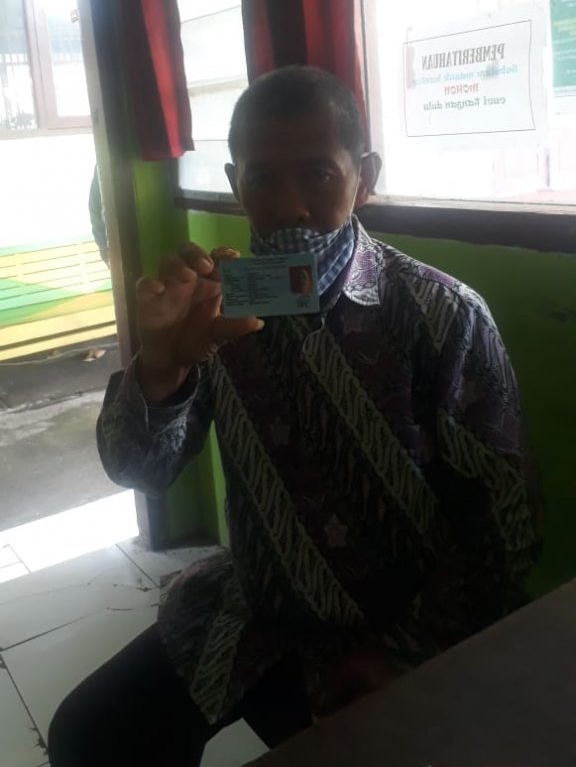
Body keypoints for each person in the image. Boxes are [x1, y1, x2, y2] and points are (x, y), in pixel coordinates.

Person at [48, 66, 540, 767]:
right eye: (262, 179)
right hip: (253, 611)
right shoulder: (212, 312)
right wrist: (162, 367)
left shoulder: (442, 315)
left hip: (401, 625)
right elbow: (139, 470)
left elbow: (505, 523)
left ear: (364, 177)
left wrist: (403, 649)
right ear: (235, 183)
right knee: (88, 734)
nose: (289, 206)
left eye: (318, 174)